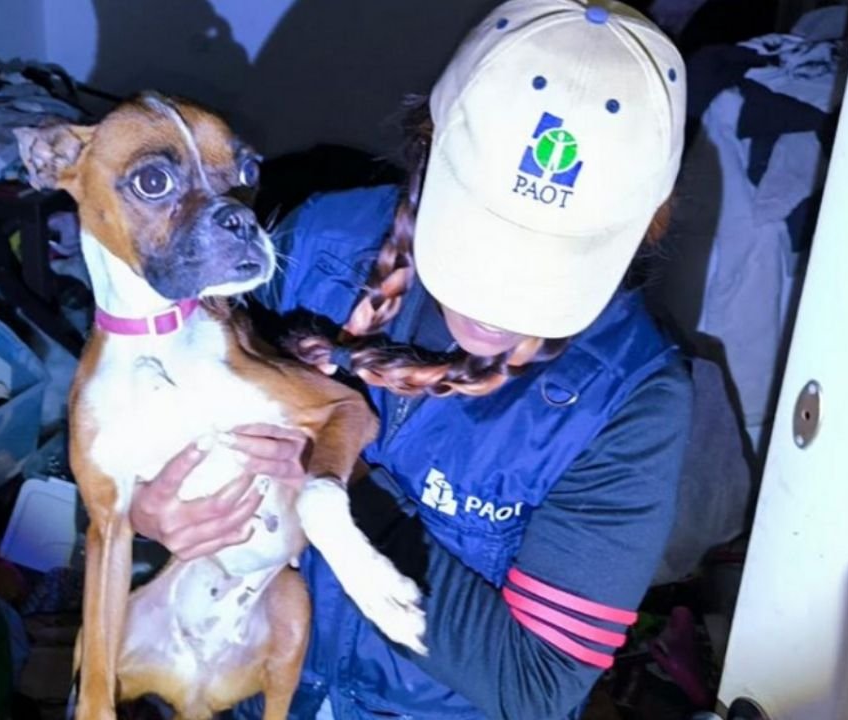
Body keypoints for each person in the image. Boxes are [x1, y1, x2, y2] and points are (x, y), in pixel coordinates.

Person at [128, 1, 693, 718]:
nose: (501, 307)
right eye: (480, 240)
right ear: (428, 153)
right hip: (260, 686)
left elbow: (537, 682)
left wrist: (331, 473)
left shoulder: (629, 401)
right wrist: (148, 505)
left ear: (644, 225)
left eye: (554, 263)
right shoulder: (312, 249)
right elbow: (149, 371)